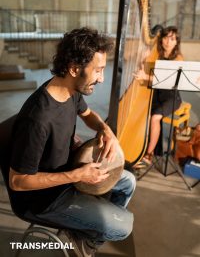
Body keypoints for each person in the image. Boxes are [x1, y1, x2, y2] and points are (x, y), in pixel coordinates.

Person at [9, 27, 136, 257]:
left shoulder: (71, 88)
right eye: (98, 70)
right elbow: (17, 181)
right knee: (123, 228)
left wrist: (104, 128)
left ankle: (87, 232)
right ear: (75, 69)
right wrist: (78, 176)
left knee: (128, 182)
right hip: (42, 200)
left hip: (67, 172)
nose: (102, 78)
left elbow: (88, 115)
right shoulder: (38, 119)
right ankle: (87, 232)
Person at [134, 26, 183, 167]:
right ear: (161, 39)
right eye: (166, 37)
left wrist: (146, 77)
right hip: (155, 94)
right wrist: (143, 58)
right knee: (143, 115)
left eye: (172, 38)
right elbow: (142, 72)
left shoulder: (178, 58)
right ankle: (138, 148)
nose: (168, 41)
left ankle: (148, 153)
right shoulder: (155, 54)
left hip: (171, 97)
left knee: (155, 117)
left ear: (176, 42)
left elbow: (168, 80)